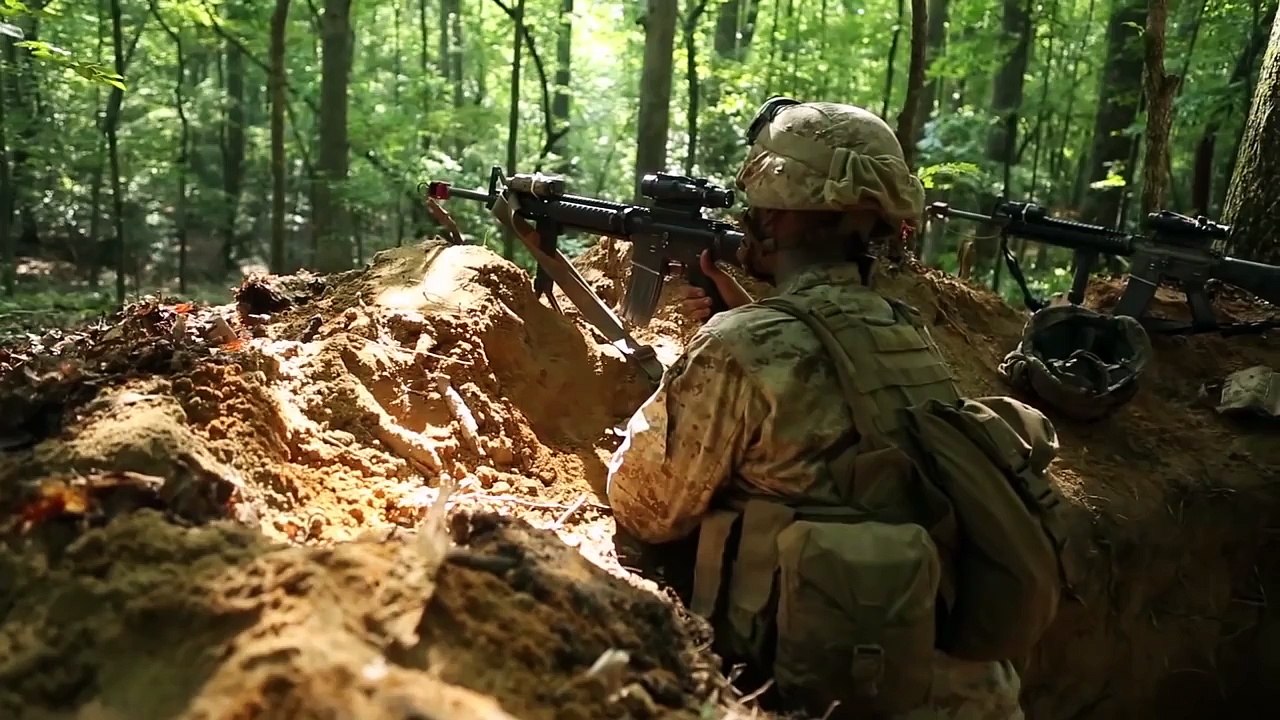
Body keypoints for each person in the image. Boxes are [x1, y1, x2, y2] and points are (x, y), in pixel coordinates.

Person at [605, 98, 1026, 719]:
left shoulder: (741, 345)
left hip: (825, 696)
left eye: (755, 210)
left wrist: (697, 362)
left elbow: (645, 506)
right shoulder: (906, 331)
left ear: (774, 217)